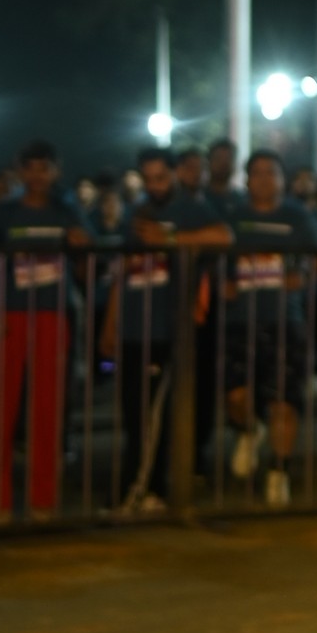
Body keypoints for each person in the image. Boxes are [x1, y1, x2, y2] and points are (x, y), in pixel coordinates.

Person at [106, 146, 231, 511]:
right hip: (133, 327)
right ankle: (145, 488)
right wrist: (110, 323)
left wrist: (171, 240)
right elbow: (122, 271)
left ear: (175, 174)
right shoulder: (137, 212)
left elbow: (223, 236)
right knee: (135, 414)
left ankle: (142, 488)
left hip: (166, 329)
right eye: (148, 179)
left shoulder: (190, 208)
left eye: (160, 178)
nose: (154, 186)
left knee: (154, 414)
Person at [0, 140, 89, 521]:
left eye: (44, 168)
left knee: (48, 408)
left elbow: (87, 265)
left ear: (56, 171)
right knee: (0, 408)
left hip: (52, 315)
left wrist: (82, 245)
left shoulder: (67, 211)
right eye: (30, 168)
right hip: (8, 316)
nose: (37, 176)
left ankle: (43, 497)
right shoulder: (2, 213)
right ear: (19, 171)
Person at [221, 150, 317, 506]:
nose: (264, 179)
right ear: (247, 179)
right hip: (239, 321)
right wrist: (222, 283)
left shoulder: (298, 218)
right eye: (258, 173)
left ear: (282, 179)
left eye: (271, 173)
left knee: (284, 402)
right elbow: (215, 262)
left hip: (284, 321)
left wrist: (304, 276)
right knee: (236, 397)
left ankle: (279, 471)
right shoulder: (234, 218)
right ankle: (250, 430)